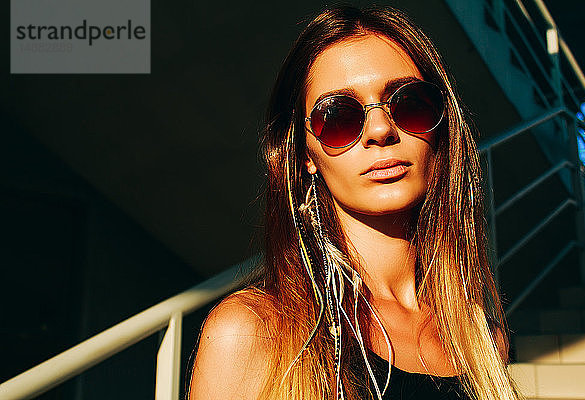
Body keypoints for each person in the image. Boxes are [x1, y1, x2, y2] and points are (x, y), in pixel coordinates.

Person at [188, 5, 519, 400]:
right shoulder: (251, 333)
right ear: (305, 154)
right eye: (339, 116)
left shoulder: (482, 339)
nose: (380, 129)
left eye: (408, 103)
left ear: (441, 127)